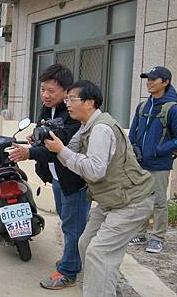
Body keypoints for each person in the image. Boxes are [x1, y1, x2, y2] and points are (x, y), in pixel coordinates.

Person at [44, 80, 154, 297]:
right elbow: (71, 150)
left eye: (72, 99)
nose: (68, 104)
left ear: (89, 102)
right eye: (67, 99)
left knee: (99, 252)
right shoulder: (86, 126)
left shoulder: (101, 129)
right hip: (112, 200)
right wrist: (47, 143)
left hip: (131, 201)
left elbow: (94, 170)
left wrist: (62, 152)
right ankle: (106, 289)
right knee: (86, 243)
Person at [8, 63, 89, 290]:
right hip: (57, 178)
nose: (45, 95)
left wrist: (29, 152)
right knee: (69, 223)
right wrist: (34, 140)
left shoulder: (73, 114)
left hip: (74, 180)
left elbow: (59, 147)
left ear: (66, 91)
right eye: (43, 89)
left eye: (51, 91)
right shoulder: (47, 109)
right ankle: (73, 260)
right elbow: (43, 134)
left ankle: (68, 272)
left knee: (73, 227)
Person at [128, 66, 177, 253]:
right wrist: (133, 150)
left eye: (154, 79)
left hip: (160, 164)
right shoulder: (143, 106)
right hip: (141, 162)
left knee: (159, 201)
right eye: (148, 79)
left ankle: (157, 237)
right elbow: (133, 132)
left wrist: (159, 150)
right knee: (141, 199)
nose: (150, 82)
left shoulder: (173, 109)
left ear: (166, 82)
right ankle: (140, 233)